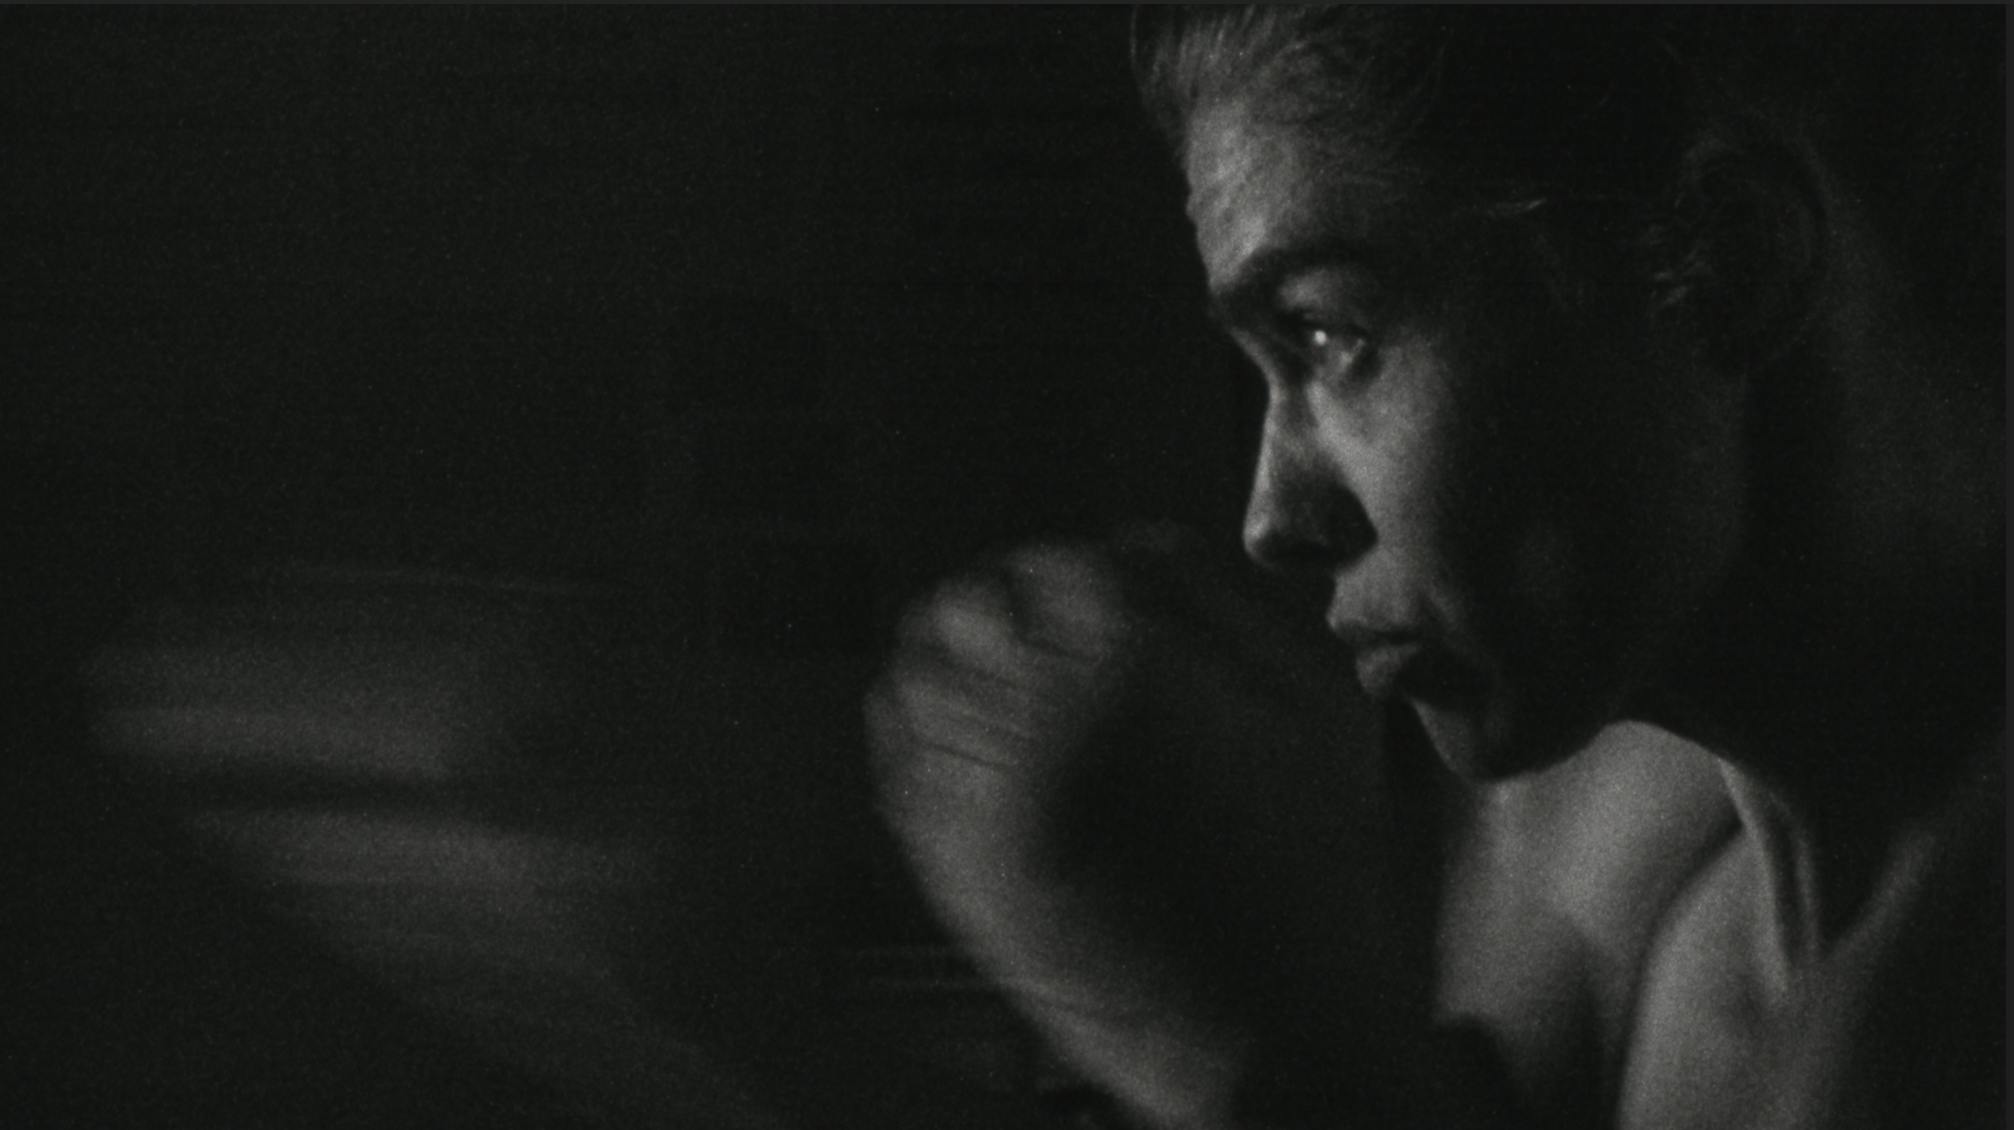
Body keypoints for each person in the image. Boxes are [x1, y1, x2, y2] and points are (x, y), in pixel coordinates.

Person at [867, 8, 2002, 1129]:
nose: (1273, 520)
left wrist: (1255, 1061)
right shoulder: (1636, 853)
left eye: (1328, 334)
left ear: (1734, 258)